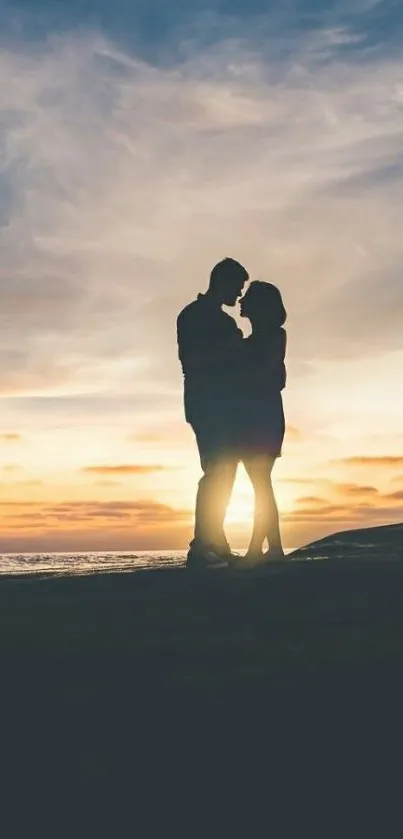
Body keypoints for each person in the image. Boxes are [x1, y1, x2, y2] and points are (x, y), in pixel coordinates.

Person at [177, 257, 249, 570]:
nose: (239, 294)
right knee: (216, 470)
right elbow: (193, 361)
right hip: (208, 404)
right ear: (222, 282)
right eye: (237, 287)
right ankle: (202, 545)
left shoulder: (220, 320)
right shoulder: (195, 316)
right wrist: (234, 349)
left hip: (221, 404)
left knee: (224, 471)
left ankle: (215, 542)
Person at [237, 281, 287, 567]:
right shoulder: (252, 342)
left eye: (248, 297)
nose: (241, 301)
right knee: (261, 483)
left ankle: (260, 548)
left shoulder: (273, 337)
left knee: (261, 483)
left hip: (263, 417)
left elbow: (265, 375)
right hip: (255, 416)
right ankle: (273, 547)